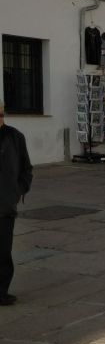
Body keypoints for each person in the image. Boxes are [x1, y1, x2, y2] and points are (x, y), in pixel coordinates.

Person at [0, 100, 33, 306]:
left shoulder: (15, 137)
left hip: (5, 206)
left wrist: (18, 190)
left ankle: (1, 292)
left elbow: (26, 168)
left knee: (3, 252)